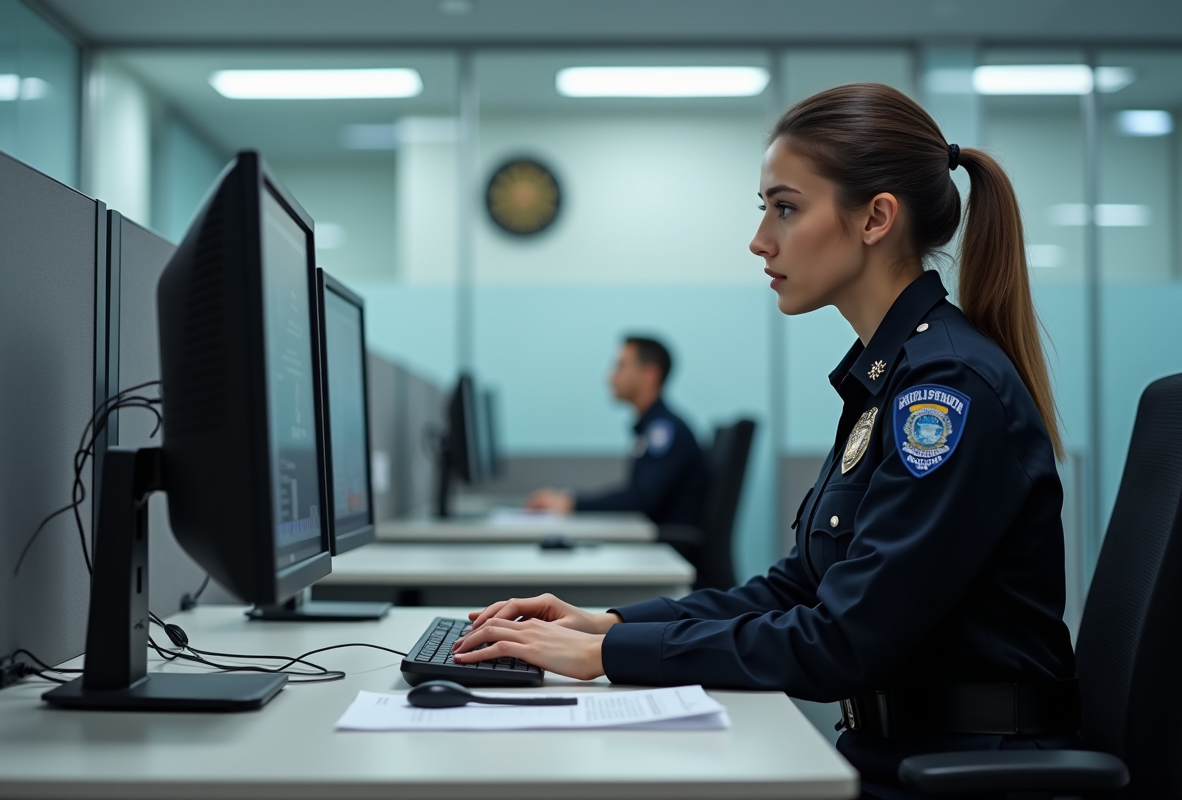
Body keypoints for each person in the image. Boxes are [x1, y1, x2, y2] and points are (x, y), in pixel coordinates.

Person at [453, 83, 1078, 800]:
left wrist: (605, 654)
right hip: (897, 754)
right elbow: (796, 589)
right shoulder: (891, 375)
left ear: (876, 218)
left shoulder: (944, 390)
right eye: (765, 210)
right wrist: (610, 620)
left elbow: (843, 642)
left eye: (786, 208)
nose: (761, 239)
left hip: (961, 775)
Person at [525, 335, 710, 529]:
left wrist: (571, 503)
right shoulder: (652, 428)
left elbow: (640, 499)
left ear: (649, 375)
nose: (610, 376)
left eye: (620, 366)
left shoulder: (665, 431)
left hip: (669, 549)